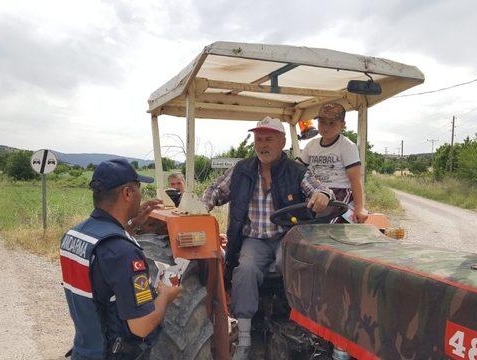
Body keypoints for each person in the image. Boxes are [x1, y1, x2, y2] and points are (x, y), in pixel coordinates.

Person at [201, 116, 333, 360]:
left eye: (269, 139)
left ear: (282, 141)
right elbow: (216, 190)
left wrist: (322, 195)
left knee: (292, 264)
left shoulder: (295, 171)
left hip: (286, 236)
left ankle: (303, 327)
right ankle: (244, 338)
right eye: (258, 139)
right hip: (255, 238)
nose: (263, 144)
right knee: (246, 269)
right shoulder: (242, 170)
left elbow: (317, 187)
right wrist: (201, 207)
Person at [60, 158, 181, 360]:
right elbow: (141, 326)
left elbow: (101, 266)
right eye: (139, 188)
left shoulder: (74, 236)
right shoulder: (124, 254)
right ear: (127, 193)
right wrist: (166, 296)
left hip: (85, 351)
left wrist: (131, 224)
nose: (142, 194)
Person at [300, 102, 368, 223]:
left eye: (332, 123)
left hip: (339, 191)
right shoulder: (311, 145)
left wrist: (360, 208)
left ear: (342, 125)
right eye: (322, 122)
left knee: (327, 223)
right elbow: (298, 168)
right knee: (303, 221)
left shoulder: (347, 146)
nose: (326, 127)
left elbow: (355, 179)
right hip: (316, 190)